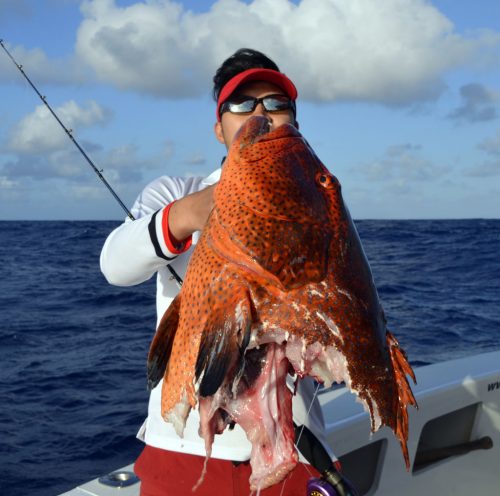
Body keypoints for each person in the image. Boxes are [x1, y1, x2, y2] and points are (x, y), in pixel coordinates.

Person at [100, 48, 337, 496]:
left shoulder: (319, 200)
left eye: (276, 103)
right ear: (218, 128)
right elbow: (114, 264)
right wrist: (187, 215)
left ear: (295, 124)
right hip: (186, 445)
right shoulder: (175, 192)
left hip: (293, 440)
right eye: (243, 104)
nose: (261, 113)